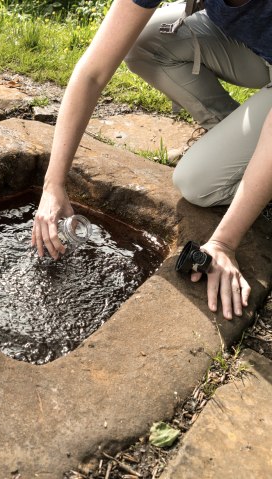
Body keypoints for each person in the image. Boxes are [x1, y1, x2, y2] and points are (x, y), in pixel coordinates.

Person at [31, 0, 272, 320]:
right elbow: (92, 71)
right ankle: (237, 146)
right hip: (255, 47)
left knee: (196, 182)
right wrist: (53, 184)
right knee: (143, 40)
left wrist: (224, 243)